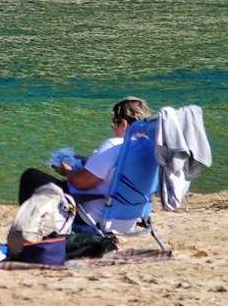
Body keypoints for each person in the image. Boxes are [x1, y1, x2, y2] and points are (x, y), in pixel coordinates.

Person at [17, 97, 153, 228]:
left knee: (31, 177)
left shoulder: (114, 145)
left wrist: (67, 171)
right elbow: (114, 172)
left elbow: (81, 183)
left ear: (123, 124)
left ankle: (30, 234)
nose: (112, 126)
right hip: (130, 218)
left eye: (114, 121)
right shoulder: (150, 148)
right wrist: (88, 161)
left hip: (94, 216)